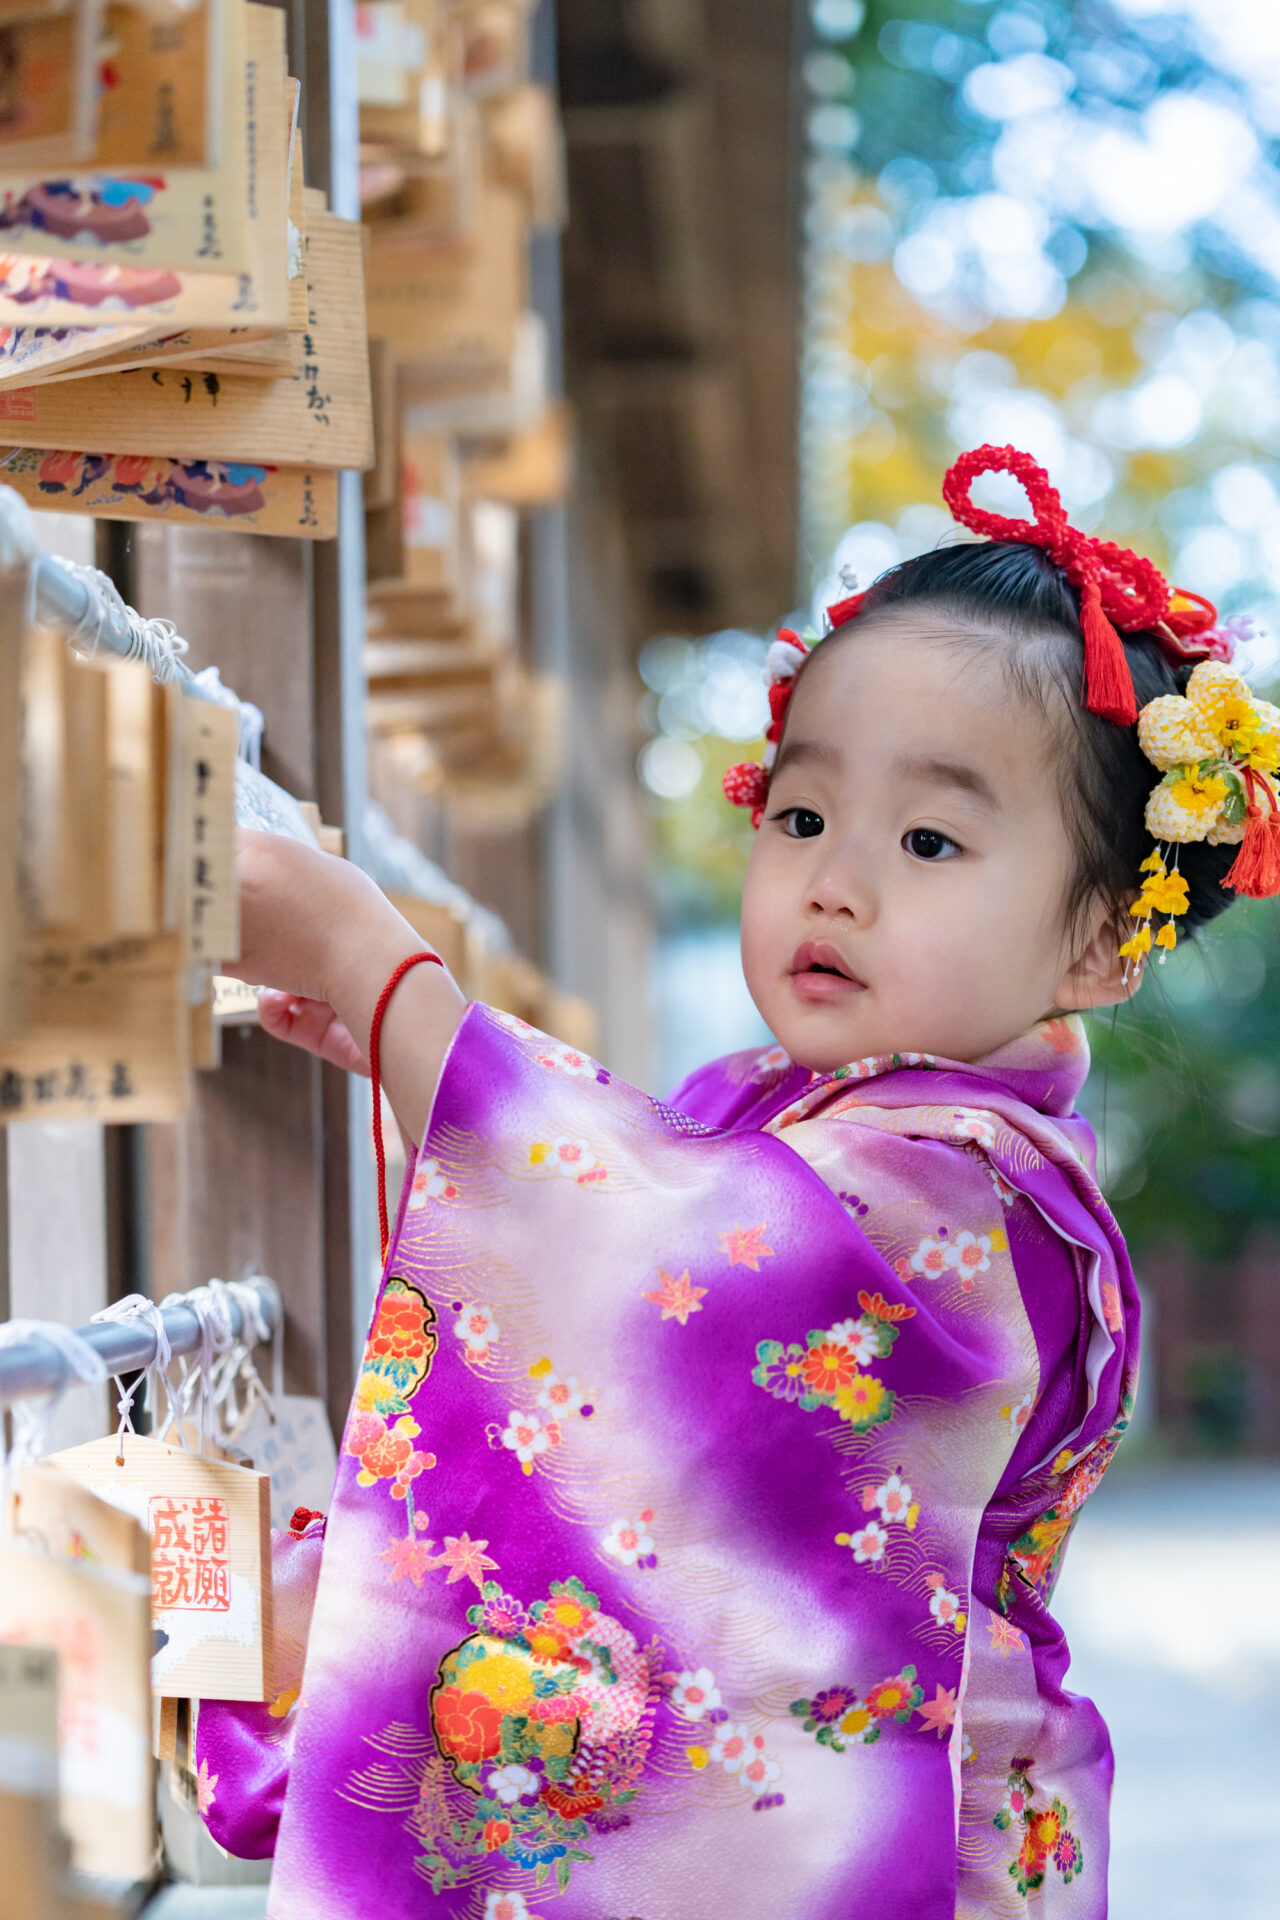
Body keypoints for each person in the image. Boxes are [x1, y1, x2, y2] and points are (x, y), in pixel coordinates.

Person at [202, 446, 1279, 1918]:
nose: (836, 878)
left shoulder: (972, 1190)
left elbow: (680, 1271)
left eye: (928, 838)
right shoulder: (840, 1126)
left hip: (922, 1840)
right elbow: (641, 1205)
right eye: (801, 815)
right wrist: (408, 1064)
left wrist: (384, 980)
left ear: (1100, 944)